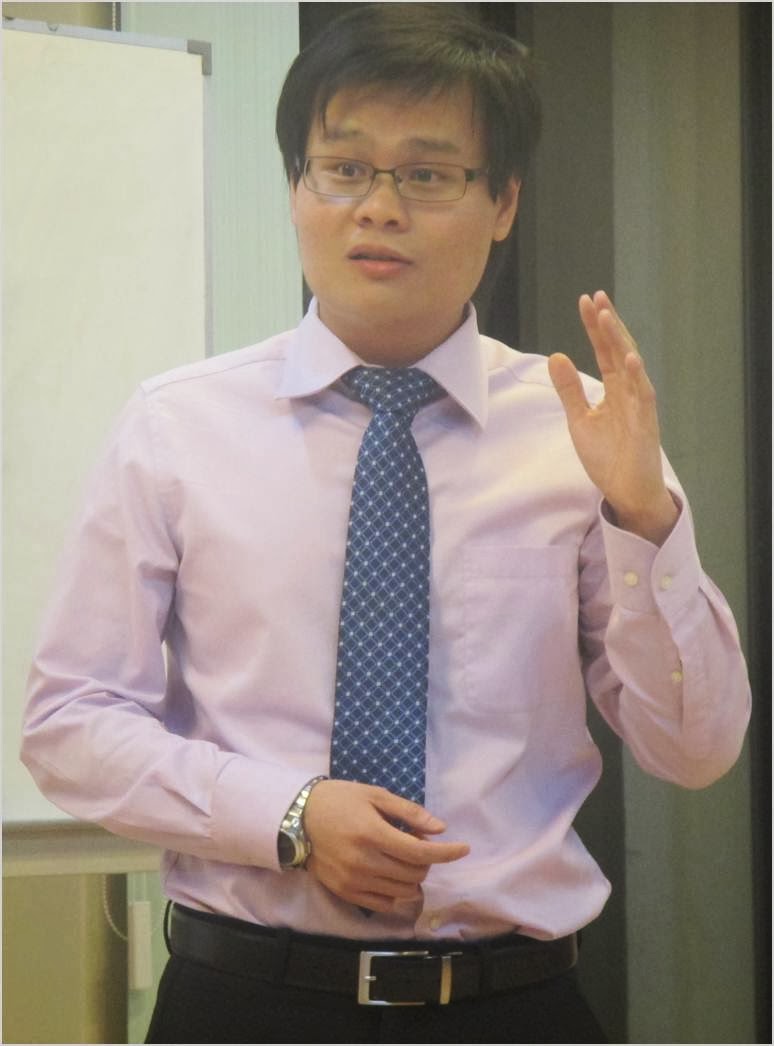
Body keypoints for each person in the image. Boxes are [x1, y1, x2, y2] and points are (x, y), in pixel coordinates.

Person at [21, 4, 750, 1043]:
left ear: (504, 202)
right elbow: (71, 723)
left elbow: (697, 749)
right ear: (295, 187)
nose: (378, 208)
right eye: (344, 168)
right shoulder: (177, 427)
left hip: (514, 1007)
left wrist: (644, 516)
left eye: (427, 174)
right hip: (245, 1004)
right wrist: (287, 813)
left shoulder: (582, 433)